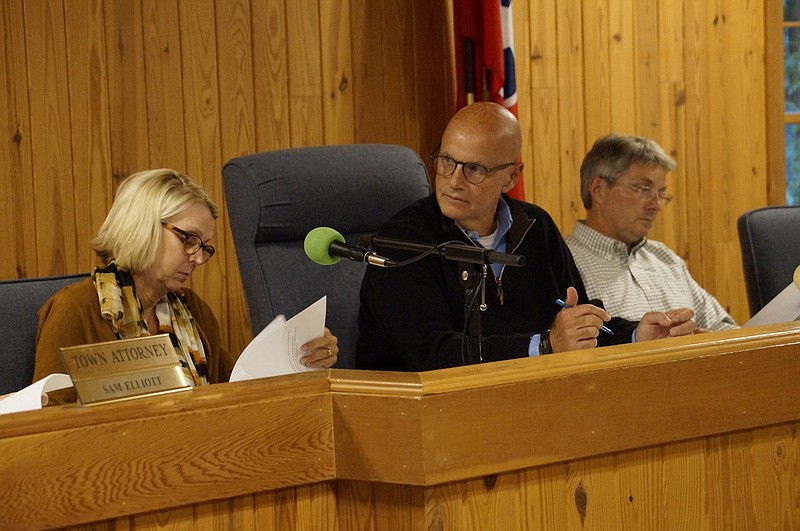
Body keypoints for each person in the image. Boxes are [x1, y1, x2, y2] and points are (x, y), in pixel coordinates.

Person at [355, 102, 696, 372]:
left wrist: (636, 335)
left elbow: (585, 323)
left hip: (528, 401)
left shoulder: (535, 227)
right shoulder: (402, 241)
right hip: (419, 420)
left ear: (511, 176)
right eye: (446, 161)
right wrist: (544, 345)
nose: (453, 180)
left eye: (474, 169)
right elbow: (431, 354)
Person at [34, 169, 338, 396]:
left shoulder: (194, 311)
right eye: (189, 239)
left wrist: (303, 361)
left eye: (204, 247)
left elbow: (234, 394)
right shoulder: (75, 309)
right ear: (143, 227)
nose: (197, 258)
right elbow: (48, 419)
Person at [565, 133, 737, 332]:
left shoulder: (664, 258)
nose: (656, 205)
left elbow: (727, 328)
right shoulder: (564, 262)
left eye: (661, 193)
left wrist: (704, 342)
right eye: (642, 188)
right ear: (598, 190)